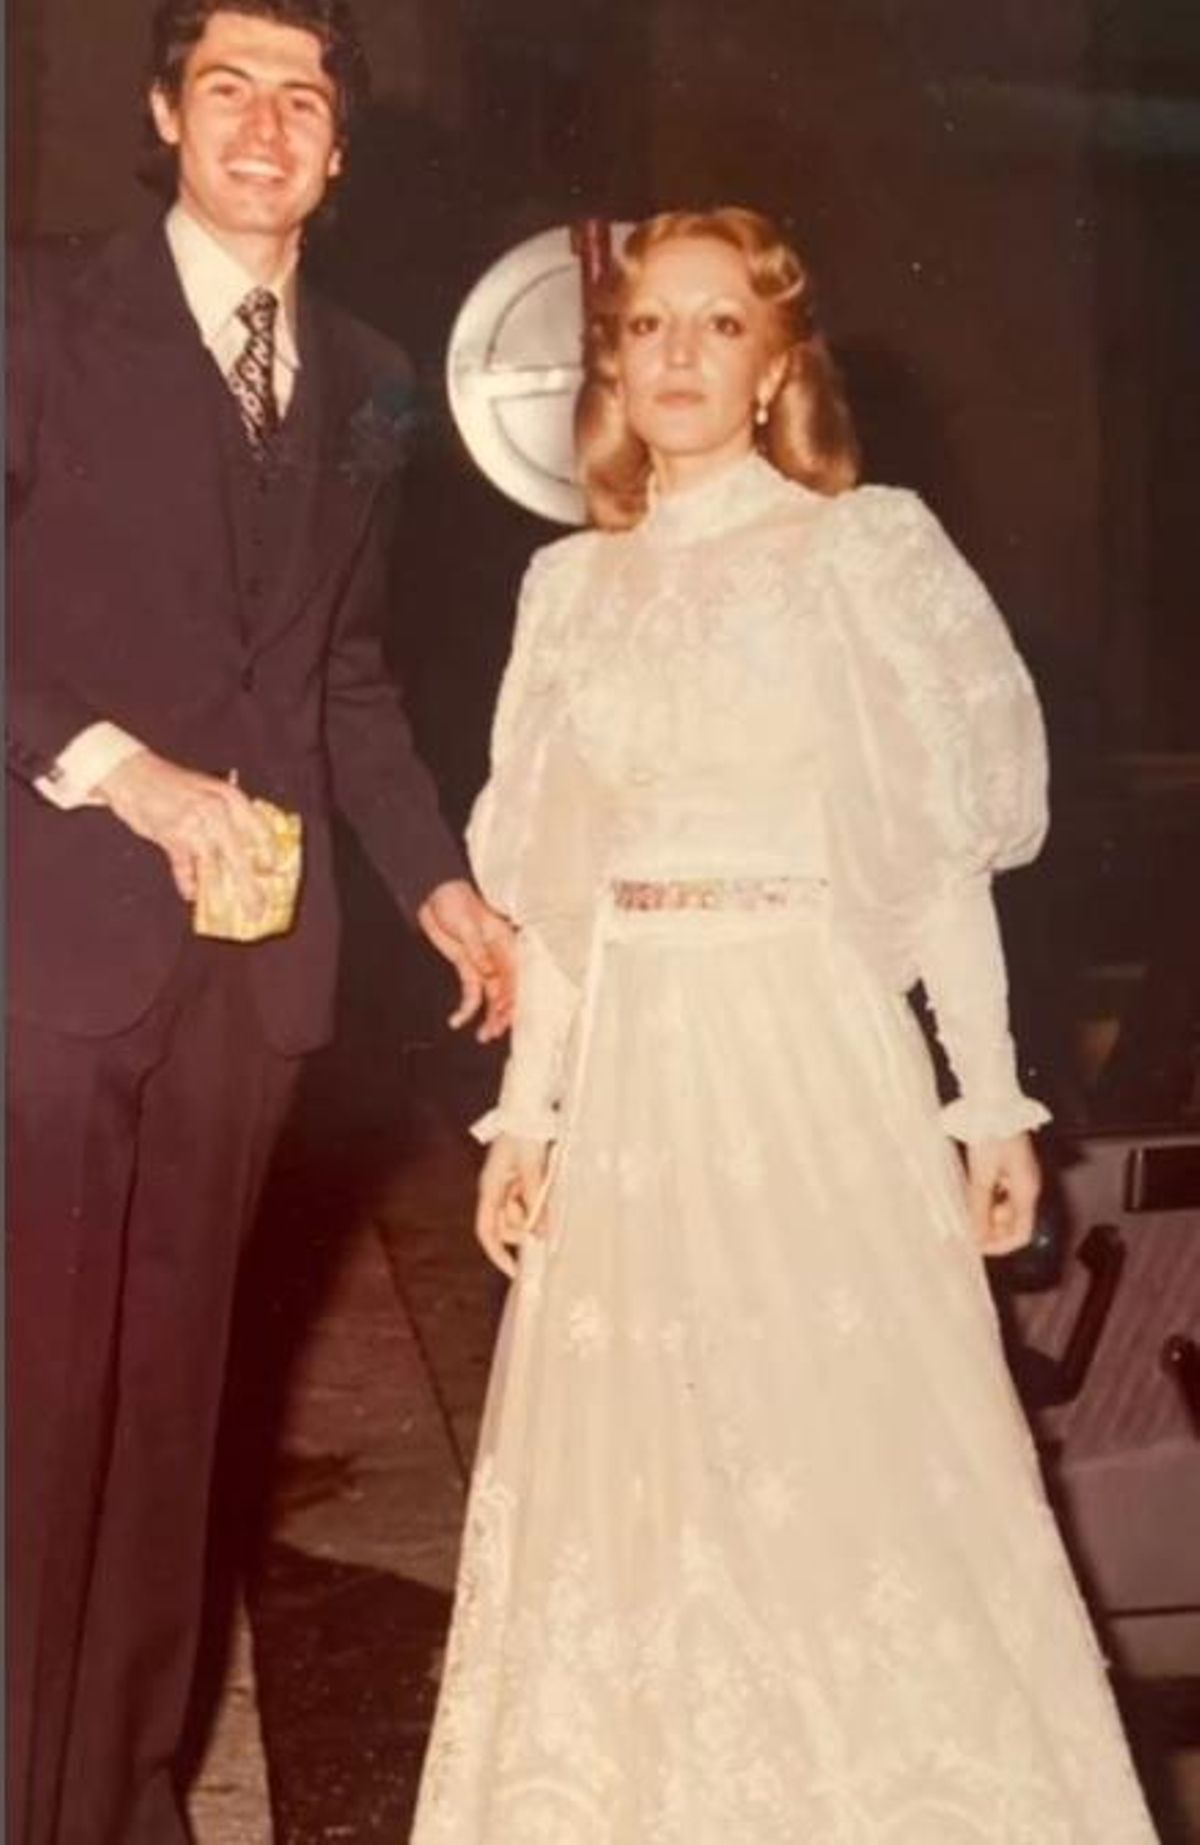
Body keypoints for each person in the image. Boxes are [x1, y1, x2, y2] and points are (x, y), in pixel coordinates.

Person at [411, 208, 1157, 1841]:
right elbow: (560, 900)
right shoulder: (566, 587)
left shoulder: (863, 551)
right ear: (611, 362)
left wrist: (990, 1106)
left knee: (858, 1472)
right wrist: (528, 1121)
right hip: (636, 1085)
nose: (679, 354)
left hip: (813, 1050)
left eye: (717, 326)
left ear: (772, 370)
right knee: (647, 1488)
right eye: (650, 327)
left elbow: (933, 859)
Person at [5, 4, 514, 1840]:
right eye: (231, 86)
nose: (266, 123)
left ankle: (125, 1804)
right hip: (48, 952)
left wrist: (441, 881)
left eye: (303, 98)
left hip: (250, 972)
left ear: (339, 151)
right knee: (32, 1416)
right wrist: (116, 770)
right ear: (166, 113)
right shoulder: (40, 313)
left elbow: (348, 678)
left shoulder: (373, 377)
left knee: (169, 1430)